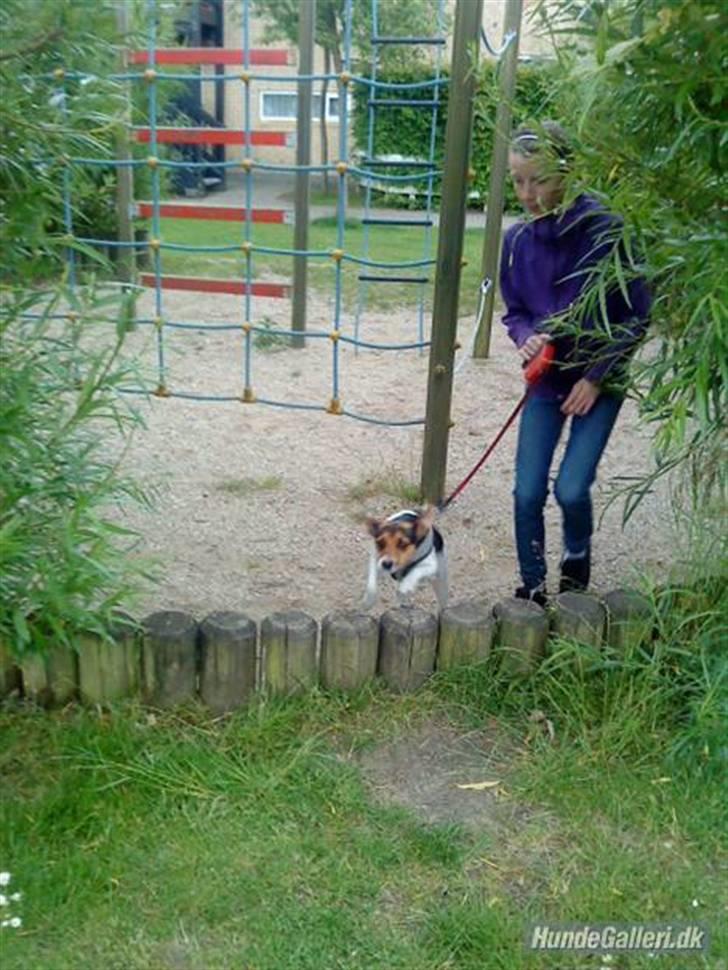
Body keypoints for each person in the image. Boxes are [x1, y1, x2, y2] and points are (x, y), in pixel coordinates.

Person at [499, 122, 651, 605]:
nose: (526, 193)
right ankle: (532, 585)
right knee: (526, 492)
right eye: (517, 181)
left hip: (597, 382)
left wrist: (595, 376)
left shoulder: (607, 228)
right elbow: (516, 311)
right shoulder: (516, 240)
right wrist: (525, 338)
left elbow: (636, 315)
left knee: (570, 488)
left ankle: (576, 559)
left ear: (566, 172)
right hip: (545, 380)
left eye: (537, 179)